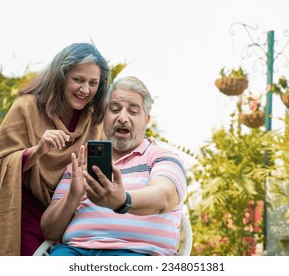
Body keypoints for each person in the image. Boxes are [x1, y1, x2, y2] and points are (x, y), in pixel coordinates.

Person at [0, 43, 110, 256]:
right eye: (78, 80)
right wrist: (38, 150)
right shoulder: (27, 107)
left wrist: (144, 145)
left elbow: (107, 162)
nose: (85, 90)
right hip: (21, 209)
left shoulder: (94, 121)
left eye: (93, 83)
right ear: (60, 77)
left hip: (69, 212)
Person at [40, 76, 187, 256]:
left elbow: (164, 196)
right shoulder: (81, 161)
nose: (122, 118)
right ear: (104, 117)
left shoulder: (162, 157)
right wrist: (74, 194)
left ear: (146, 120)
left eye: (133, 111)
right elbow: (49, 230)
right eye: (115, 109)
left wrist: (122, 201)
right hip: (74, 252)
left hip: (137, 254)